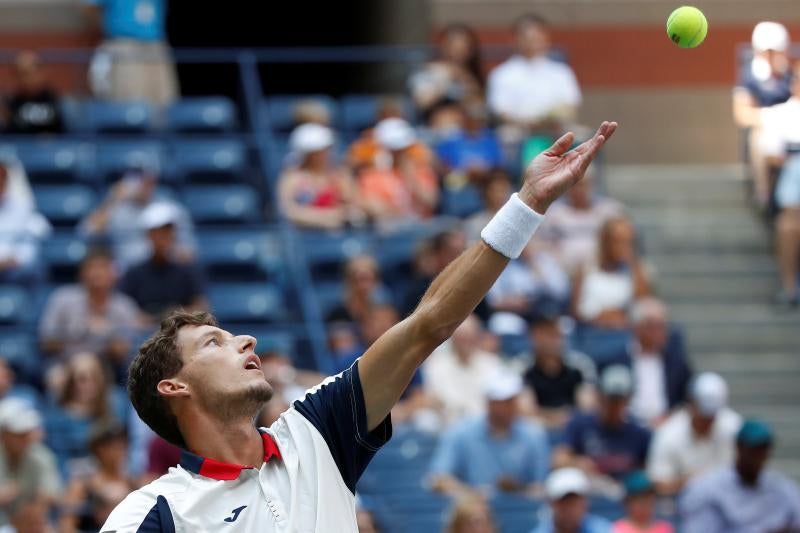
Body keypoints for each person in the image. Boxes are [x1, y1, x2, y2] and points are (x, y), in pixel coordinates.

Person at [99, 120, 617, 531]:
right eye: (215, 342)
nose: (246, 340)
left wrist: (526, 205)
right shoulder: (156, 513)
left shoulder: (315, 430)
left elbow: (427, 325)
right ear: (175, 387)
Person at [429, 370, 550, 497]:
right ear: (488, 402)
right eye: (498, 401)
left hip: (520, 512)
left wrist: (518, 489)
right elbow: (439, 479)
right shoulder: (460, 433)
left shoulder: (534, 436)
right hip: (472, 512)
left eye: (509, 401)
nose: (503, 408)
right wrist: (474, 495)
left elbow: (540, 486)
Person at [680, 419, 800, 533]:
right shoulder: (707, 490)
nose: (759, 456)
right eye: (754, 450)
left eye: (764, 449)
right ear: (739, 447)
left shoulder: (783, 488)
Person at [39, 249, 143, 373]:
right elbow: (46, 342)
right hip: (64, 366)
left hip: (107, 370)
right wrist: (81, 333)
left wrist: (107, 334)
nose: (97, 273)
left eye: (103, 268)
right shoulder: (62, 299)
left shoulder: (124, 305)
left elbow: (126, 351)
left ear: (113, 274)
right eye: (92, 268)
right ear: (81, 273)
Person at [79, 166, 196, 270]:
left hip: (163, 273)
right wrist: (113, 199)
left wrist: (165, 251)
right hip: (124, 277)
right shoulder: (116, 209)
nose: (142, 183)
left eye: (146, 178)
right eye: (136, 178)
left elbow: (189, 253)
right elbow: (88, 233)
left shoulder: (171, 209)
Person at [554, 365, 651, 487]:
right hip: (590, 490)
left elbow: (652, 471)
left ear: (628, 400)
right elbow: (558, 460)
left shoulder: (639, 432)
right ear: (599, 396)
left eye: (619, 400)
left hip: (625, 493)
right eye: (610, 399)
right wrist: (576, 463)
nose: (614, 405)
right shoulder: (580, 424)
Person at [647, 372, 742, 496]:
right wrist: (688, 483)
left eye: (712, 417)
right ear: (691, 405)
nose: (708, 422)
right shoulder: (669, 433)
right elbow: (658, 483)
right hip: (682, 504)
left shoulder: (735, 428)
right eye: (704, 417)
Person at [487, 14, 581, 137]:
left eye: (537, 37)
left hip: (555, 130)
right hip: (518, 131)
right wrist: (527, 123)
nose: (532, 42)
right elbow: (499, 110)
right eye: (527, 37)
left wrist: (547, 121)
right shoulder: (501, 73)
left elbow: (571, 105)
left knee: (579, 135)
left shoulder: (561, 71)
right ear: (515, 39)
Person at [733, 22, 793, 207]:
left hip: (793, 129)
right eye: (766, 51)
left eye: (775, 51)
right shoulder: (750, 76)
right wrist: (771, 117)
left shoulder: (791, 75)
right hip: (768, 130)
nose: (771, 56)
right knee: (758, 139)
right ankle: (764, 195)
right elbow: (741, 114)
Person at [42, 353, 129, 477]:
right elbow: (57, 459)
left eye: (94, 377)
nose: (88, 384)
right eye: (82, 379)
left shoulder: (114, 409)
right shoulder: (56, 419)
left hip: (108, 477)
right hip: (71, 479)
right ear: (70, 382)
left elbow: (120, 453)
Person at [119, 203, 207, 322]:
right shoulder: (134, 273)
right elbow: (124, 309)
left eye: (167, 232)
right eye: (157, 232)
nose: (162, 237)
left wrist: (175, 316)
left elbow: (200, 306)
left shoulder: (188, 270)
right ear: (149, 235)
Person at [83, 0, 178, 106]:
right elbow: (89, 7)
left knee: (164, 101)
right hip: (124, 43)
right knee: (130, 101)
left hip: (156, 44)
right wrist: (109, 26)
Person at [760, 63, 800, 306]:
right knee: (788, 223)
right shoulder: (781, 113)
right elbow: (772, 155)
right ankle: (789, 286)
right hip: (792, 168)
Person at [617, 298, 692, 427]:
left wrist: (669, 417)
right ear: (638, 328)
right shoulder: (619, 359)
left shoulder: (677, 362)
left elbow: (688, 399)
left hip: (667, 426)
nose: (661, 332)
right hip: (628, 427)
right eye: (654, 327)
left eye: (663, 326)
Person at [536, 169, 625, 274]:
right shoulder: (554, 212)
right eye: (574, 185)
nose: (578, 190)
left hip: (600, 271)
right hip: (561, 272)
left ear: (592, 184)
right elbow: (540, 242)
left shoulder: (609, 210)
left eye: (583, 185)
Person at [278, 123, 364, 231]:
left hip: (338, 235)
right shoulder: (292, 178)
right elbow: (288, 211)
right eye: (318, 151)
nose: (325, 154)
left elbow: (354, 206)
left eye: (326, 149)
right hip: (305, 238)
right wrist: (326, 217)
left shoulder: (339, 175)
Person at [422, 314, 503, 424]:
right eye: (461, 338)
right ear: (452, 339)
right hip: (447, 424)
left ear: (477, 338)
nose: (465, 342)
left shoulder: (492, 364)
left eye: (469, 337)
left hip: (484, 425)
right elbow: (433, 398)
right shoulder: (435, 365)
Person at [572, 217, 650, 329]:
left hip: (623, 333)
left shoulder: (635, 271)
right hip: (591, 334)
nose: (623, 247)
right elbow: (576, 311)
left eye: (628, 242)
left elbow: (642, 306)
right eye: (618, 241)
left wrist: (632, 264)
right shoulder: (587, 268)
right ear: (605, 241)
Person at [357, 118, 439, 225]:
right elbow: (373, 207)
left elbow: (430, 202)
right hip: (391, 229)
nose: (399, 154)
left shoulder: (422, 171)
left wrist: (409, 176)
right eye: (393, 150)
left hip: (422, 226)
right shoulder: (371, 176)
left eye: (402, 149)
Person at [60, 421, 138, 532]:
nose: (119, 450)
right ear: (98, 449)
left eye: (122, 444)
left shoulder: (132, 482)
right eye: (112, 446)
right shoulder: (82, 485)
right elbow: (66, 526)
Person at [523, 313, 594, 429]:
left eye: (554, 333)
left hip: (572, 426)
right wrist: (554, 417)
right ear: (533, 336)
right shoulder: (522, 366)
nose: (549, 340)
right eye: (544, 333)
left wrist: (564, 418)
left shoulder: (580, 364)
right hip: (538, 428)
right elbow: (525, 410)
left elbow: (587, 407)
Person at [0, 400, 61, 528]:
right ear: (3, 434)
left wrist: (39, 504)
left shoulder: (41, 456)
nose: (25, 438)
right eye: (18, 433)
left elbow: (52, 494)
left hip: (31, 525)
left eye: (27, 432)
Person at [409, 23, 484, 120]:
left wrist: (466, 80)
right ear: (444, 46)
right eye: (454, 46)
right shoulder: (428, 71)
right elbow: (422, 103)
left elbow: (480, 111)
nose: (459, 52)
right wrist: (447, 76)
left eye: (464, 47)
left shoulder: (473, 76)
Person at [0, 160, 49, 285]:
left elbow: (31, 247)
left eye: (1, 178)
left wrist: (13, 260)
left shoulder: (23, 207)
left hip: (14, 270)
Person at [533, 467, 612, 533]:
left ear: (586, 503)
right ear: (551, 504)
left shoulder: (603, 529)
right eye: (563, 503)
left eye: (574, 502)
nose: (570, 509)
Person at [3, 51, 64, 135]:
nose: (27, 78)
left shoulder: (54, 100)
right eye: (21, 74)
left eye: (30, 72)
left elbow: (63, 133)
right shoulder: (10, 104)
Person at [325, 255, 393, 327]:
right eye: (357, 280)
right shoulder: (337, 315)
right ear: (348, 281)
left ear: (376, 281)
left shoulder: (386, 312)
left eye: (366, 279)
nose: (362, 286)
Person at [464, 169, 513, 243]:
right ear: (486, 192)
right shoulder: (473, 224)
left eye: (503, 190)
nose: (500, 195)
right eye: (496, 190)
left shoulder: (517, 220)